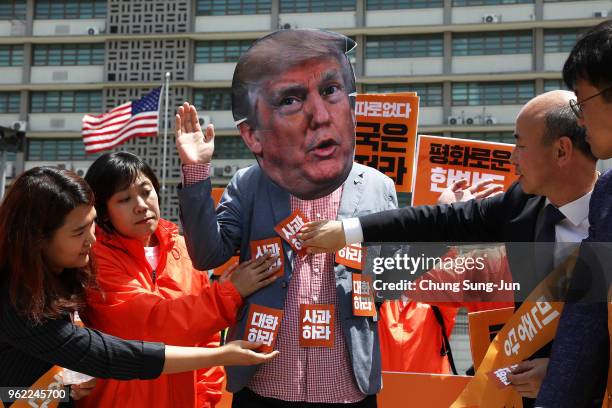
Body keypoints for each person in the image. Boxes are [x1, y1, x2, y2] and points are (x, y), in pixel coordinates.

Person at [299, 90, 602, 407]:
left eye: (521, 146)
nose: (512, 158)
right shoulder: (521, 207)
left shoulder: (606, 215)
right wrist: (349, 230)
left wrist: (566, 373)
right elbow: (438, 220)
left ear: (561, 151)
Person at [176, 29, 396, 407]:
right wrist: (196, 171)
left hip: (347, 386)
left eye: (330, 92)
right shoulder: (250, 184)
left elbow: (394, 277)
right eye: (291, 100)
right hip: (265, 381)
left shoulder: (377, 186)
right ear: (257, 131)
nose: (318, 115)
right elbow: (207, 255)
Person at [0, 167, 278, 402]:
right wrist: (223, 347)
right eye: (78, 232)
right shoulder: (16, 300)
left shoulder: (67, 270)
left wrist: (60, 390)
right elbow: (109, 353)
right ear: (36, 238)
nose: (92, 240)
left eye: (91, 224)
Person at [76, 152, 279, 408]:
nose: (141, 204)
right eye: (124, 199)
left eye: (146, 191)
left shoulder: (184, 249)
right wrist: (230, 293)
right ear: (104, 213)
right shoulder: (94, 259)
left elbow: (207, 339)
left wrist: (205, 399)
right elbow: (151, 326)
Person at [535, 20, 612, 408]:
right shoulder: (608, 194)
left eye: (582, 101)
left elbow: (587, 324)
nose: (580, 119)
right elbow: (587, 320)